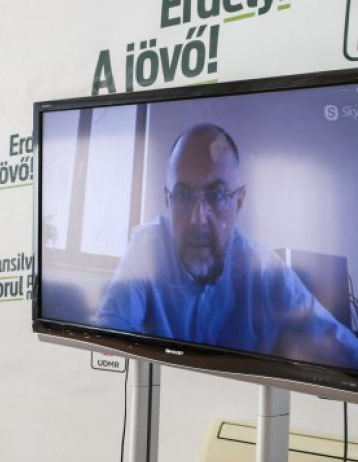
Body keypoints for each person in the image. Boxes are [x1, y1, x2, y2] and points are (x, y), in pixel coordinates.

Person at [94, 124, 358, 368]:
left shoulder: (265, 271)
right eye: (183, 195)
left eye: (217, 195)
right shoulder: (146, 248)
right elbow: (106, 338)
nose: (198, 219)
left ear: (239, 201)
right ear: (168, 201)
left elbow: (342, 350)